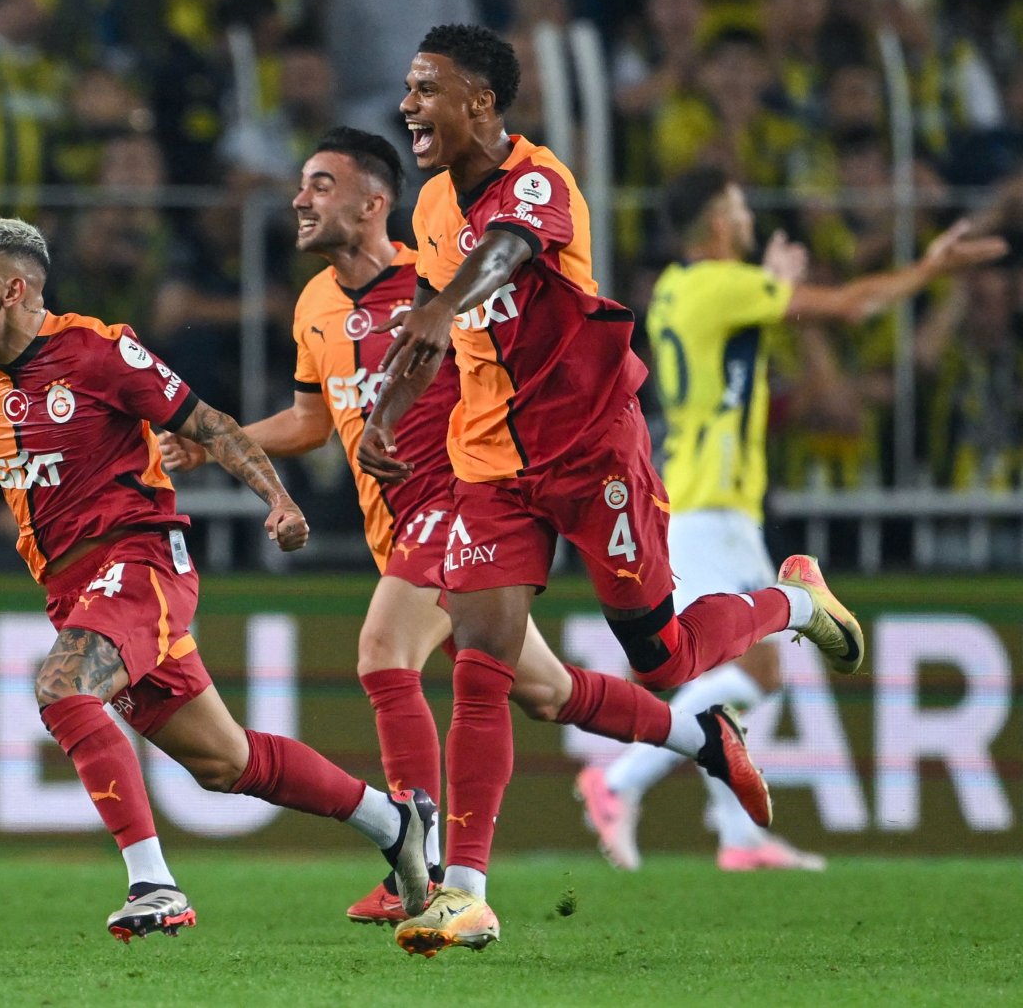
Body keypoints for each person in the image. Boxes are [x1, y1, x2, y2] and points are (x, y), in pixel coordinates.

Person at [159, 126, 778, 926]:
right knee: (549, 693)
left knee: (384, 653)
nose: (299, 200)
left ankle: (416, 861)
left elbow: (509, 357)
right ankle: (706, 740)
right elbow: (315, 421)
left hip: (462, 500)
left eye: (320, 184)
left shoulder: (437, 277)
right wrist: (221, 444)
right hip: (400, 526)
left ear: (374, 202)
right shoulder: (313, 306)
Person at [0, 217, 436, 941]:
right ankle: (392, 821)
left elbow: (206, 423)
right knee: (225, 761)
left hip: (141, 560)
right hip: (74, 591)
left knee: (61, 684)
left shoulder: (97, 350)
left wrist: (277, 500)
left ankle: (154, 883)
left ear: (13, 287)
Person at [356, 24, 864, 956]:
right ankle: (465, 891)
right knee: (483, 663)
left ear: (480, 100)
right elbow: (431, 337)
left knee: (663, 660)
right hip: (490, 467)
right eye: (407, 88)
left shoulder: (539, 181)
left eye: (426, 89)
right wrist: (385, 417)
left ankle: (790, 598)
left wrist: (438, 303)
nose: (408, 106)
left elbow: (506, 253)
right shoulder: (430, 207)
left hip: (594, 454)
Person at [578, 166, 1007, 871]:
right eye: (740, 206)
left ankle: (738, 836)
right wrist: (932, 266)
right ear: (718, 219)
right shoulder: (720, 285)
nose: (748, 216)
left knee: (757, 666)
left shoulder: (681, 291)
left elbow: (743, 337)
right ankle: (617, 780)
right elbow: (850, 307)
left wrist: (769, 281)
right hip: (711, 506)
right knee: (763, 666)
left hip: (705, 497)